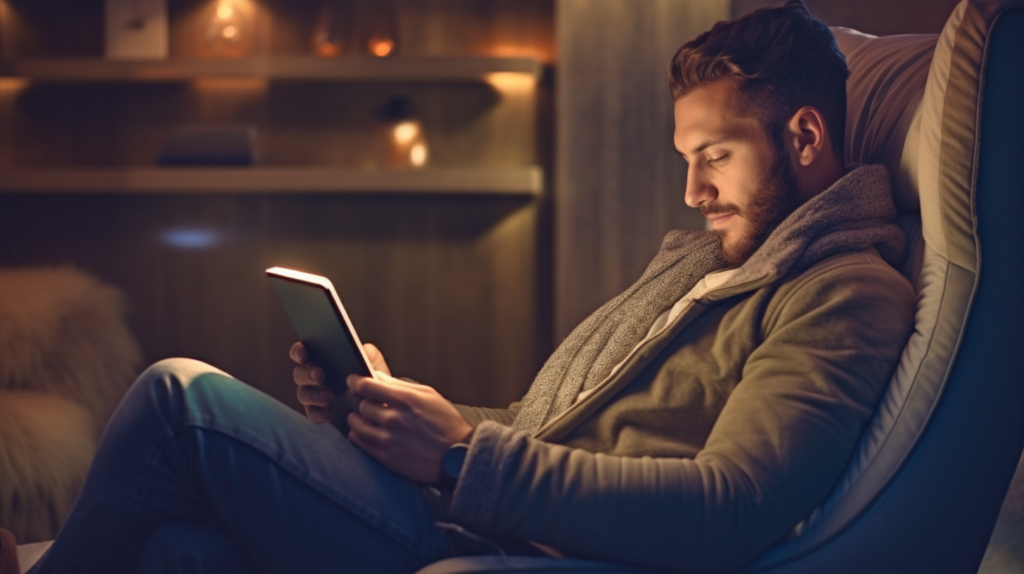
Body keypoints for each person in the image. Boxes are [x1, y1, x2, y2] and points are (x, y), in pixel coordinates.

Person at [21, 1, 916, 572]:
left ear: (803, 138)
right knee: (184, 551)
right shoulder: (714, 263)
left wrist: (455, 457)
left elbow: (734, 507)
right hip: (473, 513)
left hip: (509, 540)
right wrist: (401, 414)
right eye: (687, 161)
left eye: (714, 157)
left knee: (181, 399)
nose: (692, 193)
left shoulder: (840, 292)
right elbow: (555, 431)